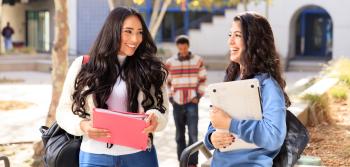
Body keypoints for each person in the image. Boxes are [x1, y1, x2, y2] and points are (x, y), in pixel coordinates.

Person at [56, 7, 169, 167]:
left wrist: (154, 117)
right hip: (94, 157)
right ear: (113, 31)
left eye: (140, 32)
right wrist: (82, 125)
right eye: (128, 31)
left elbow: (163, 111)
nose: (135, 39)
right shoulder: (83, 65)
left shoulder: (151, 69)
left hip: (140, 157)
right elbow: (62, 111)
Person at [203, 11, 291, 167]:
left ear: (253, 41)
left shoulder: (268, 86)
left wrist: (231, 124)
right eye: (230, 35)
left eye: (237, 35)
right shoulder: (230, 79)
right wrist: (211, 138)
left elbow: (274, 137)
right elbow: (215, 123)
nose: (230, 41)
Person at [165, 35, 207, 167]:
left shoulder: (197, 60)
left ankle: (193, 163)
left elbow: (203, 79)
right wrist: (171, 97)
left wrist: (198, 96)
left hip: (191, 102)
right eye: (180, 48)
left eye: (185, 48)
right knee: (179, 136)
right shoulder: (170, 62)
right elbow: (167, 82)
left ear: (188, 46)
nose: (182, 51)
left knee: (193, 135)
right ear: (177, 47)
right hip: (177, 102)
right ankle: (182, 162)